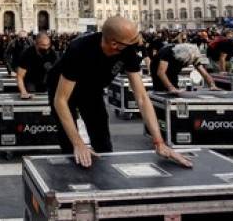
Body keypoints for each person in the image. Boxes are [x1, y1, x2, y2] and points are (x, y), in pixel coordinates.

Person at [50, 17, 192, 168]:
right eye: (133, 39)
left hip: (92, 90)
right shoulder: (79, 49)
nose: (139, 42)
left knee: (102, 140)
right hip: (62, 89)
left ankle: (106, 182)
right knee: (71, 145)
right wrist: (78, 143)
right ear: (114, 44)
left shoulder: (128, 49)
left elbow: (142, 97)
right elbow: (61, 101)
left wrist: (159, 142)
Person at [150, 43, 218, 92]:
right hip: (156, 68)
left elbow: (203, 72)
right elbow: (160, 73)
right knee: (161, 88)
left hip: (173, 70)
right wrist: (170, 87)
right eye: (188, 62)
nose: (189, 65)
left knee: (175, 86)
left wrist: (212, 84)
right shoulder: (168, 52)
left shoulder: (192, 55)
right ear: (183, 58)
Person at [16, 33, 57, 99]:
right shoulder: (27, 53)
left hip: (46, 81)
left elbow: (58, 74)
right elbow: (20, 76)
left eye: (48, 45)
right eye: (43, 45)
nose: (46, 47)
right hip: (30, 81)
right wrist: (23, 92)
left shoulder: (52, 53)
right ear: (36, 44)